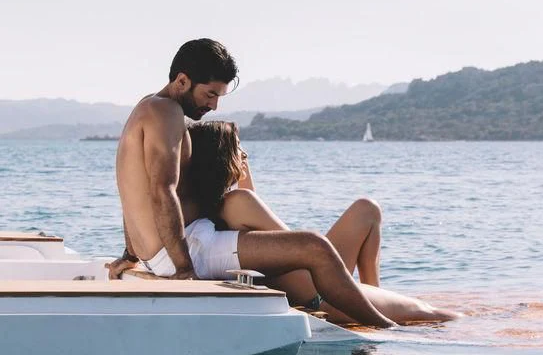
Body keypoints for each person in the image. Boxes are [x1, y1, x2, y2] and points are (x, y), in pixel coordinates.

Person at [107, 38, 396, 328]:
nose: (214, 105)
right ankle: (386, 328)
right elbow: (161, 190)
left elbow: (130, 193)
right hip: (186, 251)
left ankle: (369, 315)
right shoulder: (165, 112)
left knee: (311, 246)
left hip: (167, 252)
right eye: (209, 94)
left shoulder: (145, 108)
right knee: (314, 246)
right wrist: (184, 269)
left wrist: (130, 254)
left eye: (219, 96)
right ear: (182, 80)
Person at [186, 120, 461, 324]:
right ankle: (369, 304)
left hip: (317, 282)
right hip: (320, 295)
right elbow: (295, 245)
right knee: (441, 316)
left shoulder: (218, 208)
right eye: (239, 150)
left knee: (367, 209)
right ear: (225, 159)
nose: (245, 156)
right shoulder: (237, 203)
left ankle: (372, 294)